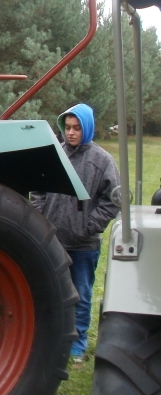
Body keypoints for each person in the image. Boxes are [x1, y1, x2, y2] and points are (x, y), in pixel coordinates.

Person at [31, 103, 119, 362]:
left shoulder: (102, 161)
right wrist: (41, 217)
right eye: (67, 127)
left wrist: (89, 226)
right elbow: (38, 187)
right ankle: (50, 339)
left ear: (87, 128)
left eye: (77, 128)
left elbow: (113, 199)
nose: (71, 133)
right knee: (51, 293)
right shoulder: (55, 155)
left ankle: (77, 345)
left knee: (80, 295)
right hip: (53, 240)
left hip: (83, 245)